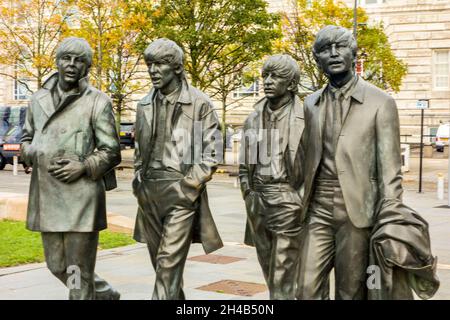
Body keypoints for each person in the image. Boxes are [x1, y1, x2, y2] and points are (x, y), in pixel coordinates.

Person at [296, 25, 438, 300]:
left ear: (354, 54)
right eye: (326, 49)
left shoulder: (380, 102)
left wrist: (390, 217)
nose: (334, 54)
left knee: (351, 291)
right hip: (318, 208)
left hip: (359, 212)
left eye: (341, 47)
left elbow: (390, 171)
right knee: (305, 288)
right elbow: (305, 155)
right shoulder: (311, 102)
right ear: (317, 59)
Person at [20, 37, 121, 300]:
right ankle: (105, 294)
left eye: (80, 61)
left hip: (82, 198)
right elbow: (26, 138)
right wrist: (32, 151)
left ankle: (88, 294)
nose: (72, 65)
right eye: (67, 58)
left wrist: (84, 166)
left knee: (77, 272)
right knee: (56, 266)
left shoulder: (97, 101)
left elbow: (111, 151)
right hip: (48, 196)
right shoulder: (38, 99)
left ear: (87, 67)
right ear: (57, 61)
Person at [132, 38, 223, 300]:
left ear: (177, 68)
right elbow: (140, 148)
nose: (152, 70)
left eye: (159, 64)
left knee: (167, 266)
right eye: (150, 64)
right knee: (162, 268)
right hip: (148, 192)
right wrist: (138, 179)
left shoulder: (200, 103)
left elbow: (213, 150)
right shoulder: (143, 104)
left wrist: (190, 185)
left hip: (180, 193)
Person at [239, 54, 304, 299]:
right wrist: (248, 195)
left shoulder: (306, 117)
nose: (267, 81)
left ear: (292, 84)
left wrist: (299, 200)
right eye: (265, 75)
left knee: (282, 274)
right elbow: (245, 165)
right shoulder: (253, 118)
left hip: (288, 200)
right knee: (270, 273)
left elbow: (316, 165)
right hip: (258, 202)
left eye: (275, 76)